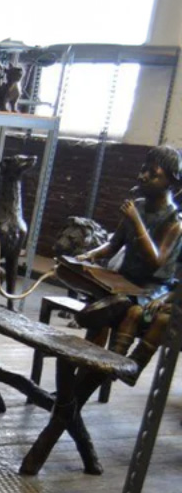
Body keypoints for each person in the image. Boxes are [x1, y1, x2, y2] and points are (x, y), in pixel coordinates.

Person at [69, 146, 182, 378]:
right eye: (143, 170)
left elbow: (156, 262)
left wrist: (136, 221)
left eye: (153, 173)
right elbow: (113, 245)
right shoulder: (138, 206)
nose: (143, 176)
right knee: (98, 291)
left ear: (170, 181)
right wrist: (90, 255)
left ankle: (110, 367)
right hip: (125, 281)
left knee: (119, 307)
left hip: (150, 287)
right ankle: (88, 367)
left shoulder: (174, 222)